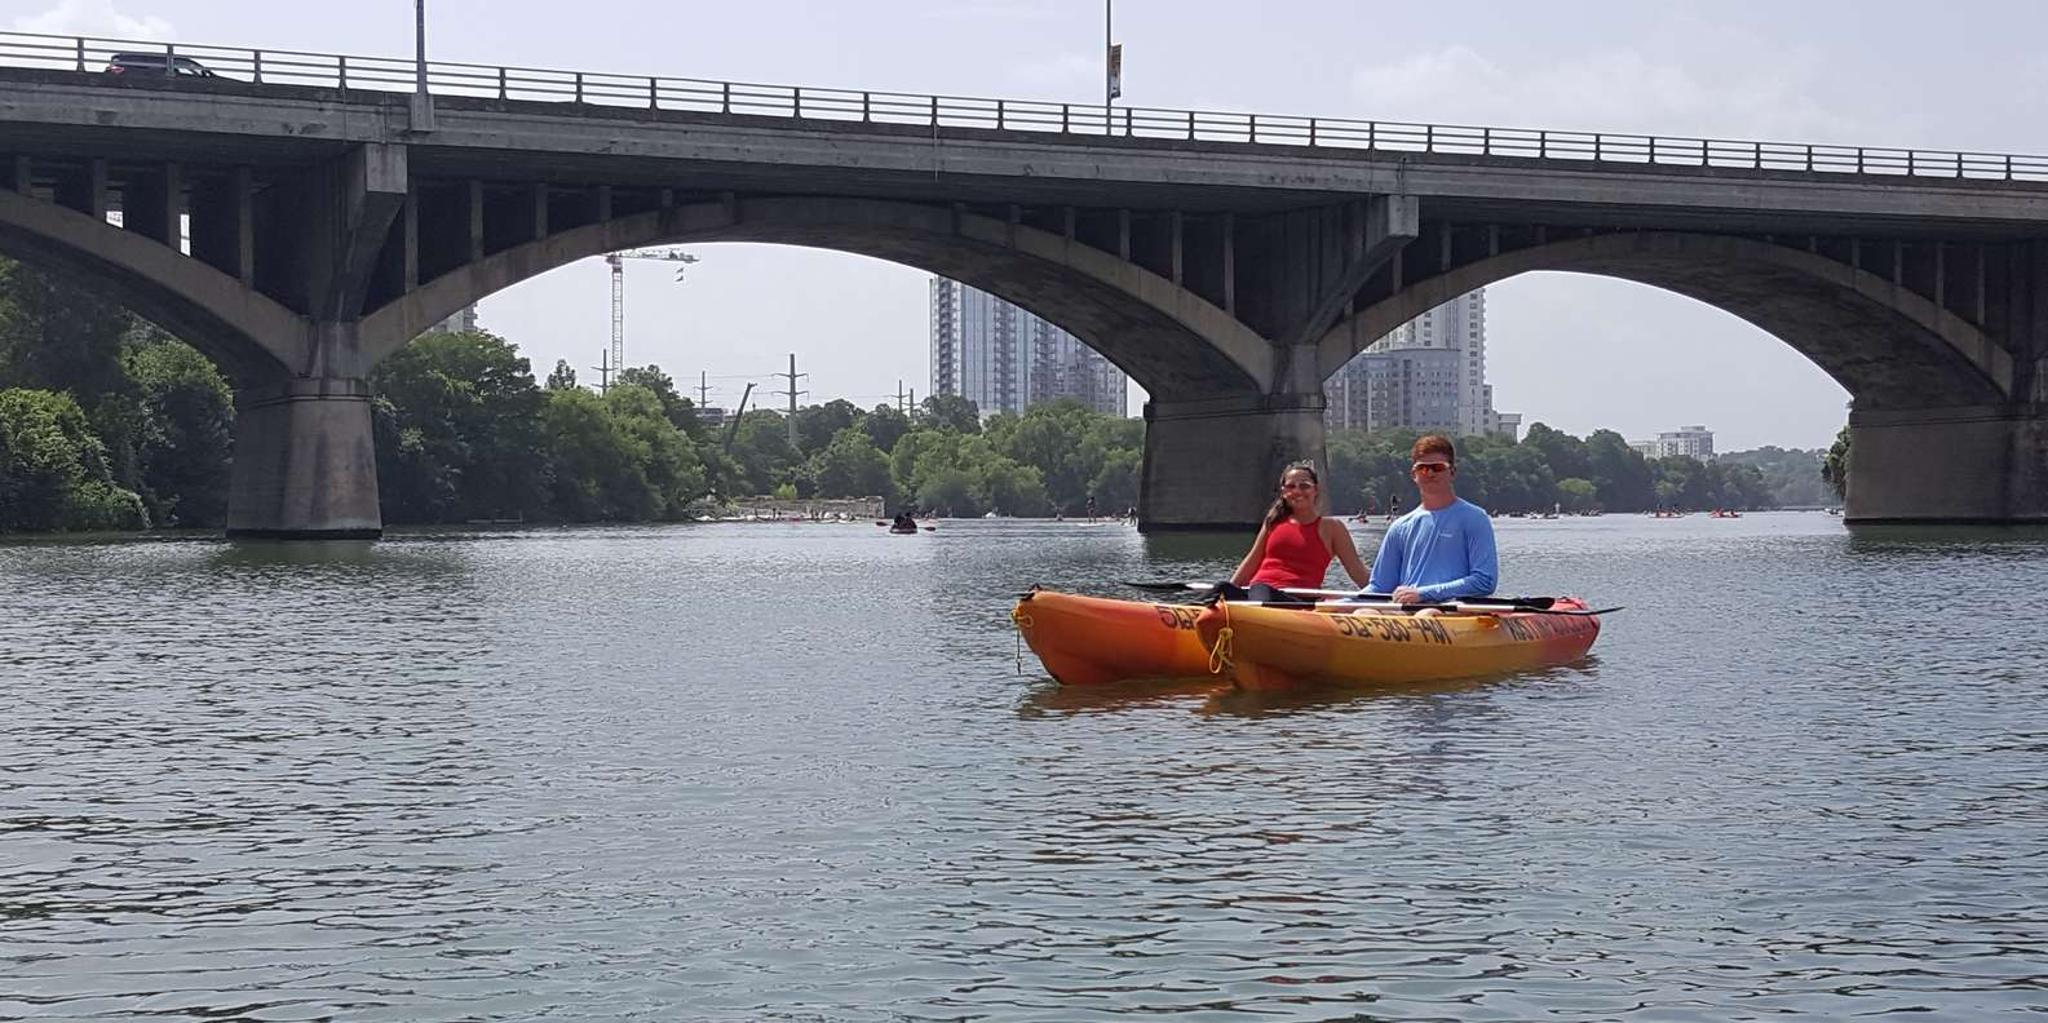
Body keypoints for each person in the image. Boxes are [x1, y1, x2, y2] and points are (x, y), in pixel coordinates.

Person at [1209, 461, 1371, 607]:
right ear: (1284, 492)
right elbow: (1252, 561)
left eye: (1304, 486)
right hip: (1259, 593)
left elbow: (1357, 571)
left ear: (1315, 489)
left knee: (1262, 590)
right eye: (1291, 487)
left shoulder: (1331, 528)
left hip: (1297, 598)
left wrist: (1384, 595)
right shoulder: (1273, 521)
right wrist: (1229, 588)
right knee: (1223, 588)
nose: (1297, 491)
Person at [1367, 435, 1498, 604]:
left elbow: (1485, 581)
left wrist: (1423, 593)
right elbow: (1379, 587)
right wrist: (1338, 605)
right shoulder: (1399, 527)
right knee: (1363, 611)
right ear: (1414, 474)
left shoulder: (1475, 519)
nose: (1429, 473)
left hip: (1452, 611)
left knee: (1428, 613)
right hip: (1405, 612)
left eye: (1437, 467)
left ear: (1452, 472)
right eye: (1423, 468)